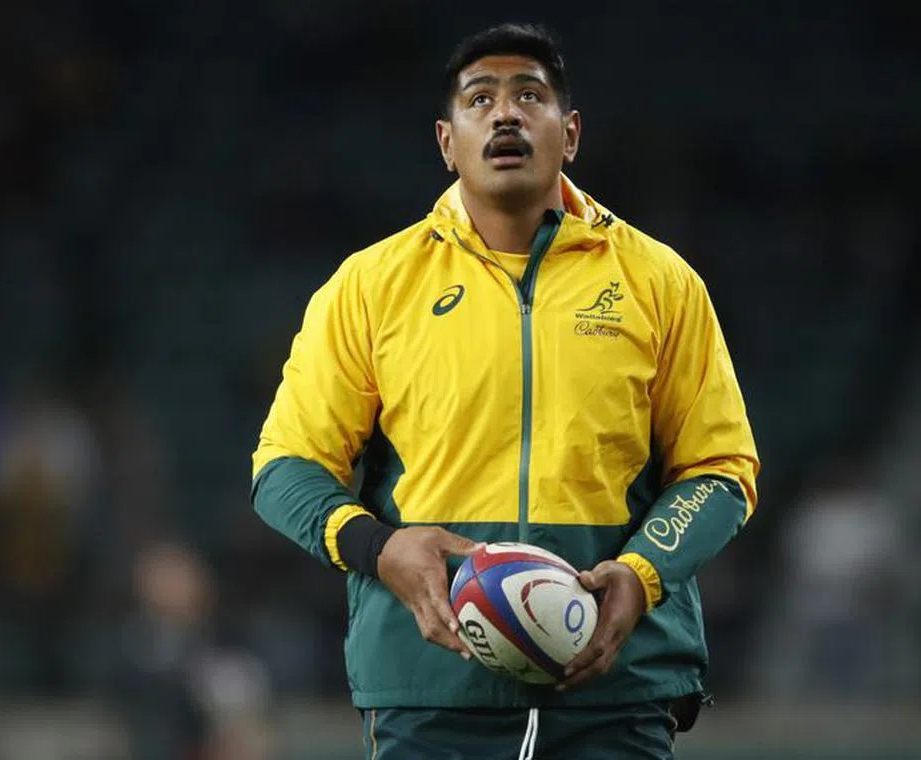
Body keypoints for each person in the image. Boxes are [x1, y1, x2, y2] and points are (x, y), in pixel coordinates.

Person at [251, 22, 759, 760]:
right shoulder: (369, 287)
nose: (506, 114)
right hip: (430, 695)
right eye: (480, 99)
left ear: (571, 133)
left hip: (614, 693)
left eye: (530, 95)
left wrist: (641, 577)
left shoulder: (660, 283)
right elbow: (284, 468)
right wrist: (381, 547)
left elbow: (722, 471)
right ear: (447, 142)